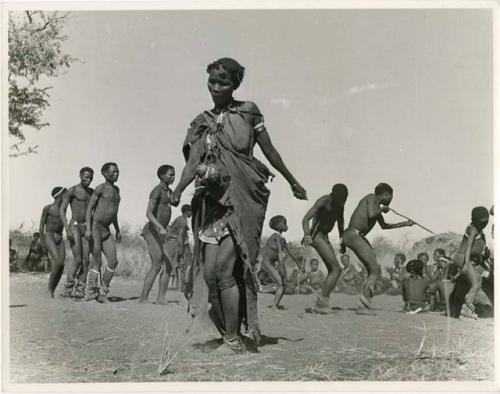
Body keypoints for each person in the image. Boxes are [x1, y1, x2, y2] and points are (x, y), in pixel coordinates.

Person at [170, 58, 307, 353]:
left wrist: (292, 180)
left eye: (223, 82)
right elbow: (194, 162)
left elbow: (269, 150)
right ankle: (227, 333)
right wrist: (179, 189)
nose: (216, 88)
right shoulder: (202, 121)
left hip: (241, 200)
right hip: (211, 203)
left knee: (225, 269)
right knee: (209, 274)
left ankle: (233, 339)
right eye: (212, 82)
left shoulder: (248, 112)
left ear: (235, 85)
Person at [342, 183, 414, 315]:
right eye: (391, 197)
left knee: (373, 269)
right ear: (387, 194)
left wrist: (406, 224)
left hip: (356, 236)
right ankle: (363, 306)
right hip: (353, 234)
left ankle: (364, 302)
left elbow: (385, 226)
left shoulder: (376, 209)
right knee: (374, 269)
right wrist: (383, 209)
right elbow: (370, 214)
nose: (391, 200)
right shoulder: (371, 198)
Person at [301, 184, 348, 314]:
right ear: (333, 195)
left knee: (334, 270)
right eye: (340, 199)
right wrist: (306, 234)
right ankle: (321, 305)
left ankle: (321, 303)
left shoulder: (340, 205)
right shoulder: (324, 200)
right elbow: (305, 219)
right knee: (336, 269)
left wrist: (342, 241)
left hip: (324, 237)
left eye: (344, 199)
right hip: (315, 236)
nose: (342, 202)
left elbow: (341, 223)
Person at [138, 165, 176, 304]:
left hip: (161, 232)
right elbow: (148, 213)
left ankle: (160, 298)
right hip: (152, 231)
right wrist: (160, 227)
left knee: (168, 266)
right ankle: (143, 298)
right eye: (170, 175)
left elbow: (175, 202)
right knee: (157, 264)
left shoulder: (168, 192)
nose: (173, 177)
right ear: (161, 176)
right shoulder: (157, 191)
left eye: (174, 175)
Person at [85, 163, 121, 302]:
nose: (116, 174)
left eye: (117, 171)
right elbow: (89, 209)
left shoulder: (117, 190)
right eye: (113, 172)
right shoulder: (100, 188)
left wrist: (117, 229)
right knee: (97, 262)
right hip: (95, 227)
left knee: (113, 261)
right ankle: (90, 292)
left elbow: (114, 213)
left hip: (106, 230)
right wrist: (88, 228)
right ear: (105, 173)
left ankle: (103, 292)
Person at [448, 206, 489, 319]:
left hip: (465, 259)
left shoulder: (478, 230)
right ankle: (465, 308)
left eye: (485, 222)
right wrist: (466, 264)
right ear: (475, 220)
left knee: (467, 284)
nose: (484, 224)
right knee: (474, 284)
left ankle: (457, 309)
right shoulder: (472, 229)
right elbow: (469, 248)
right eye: (482, 222)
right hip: (462, 258)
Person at [59, 167, 94, 298]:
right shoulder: (72, 190)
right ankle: (67, 290)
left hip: (86, 227)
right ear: (80, 175)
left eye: (90, 177)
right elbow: (62, 210)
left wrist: (90, 226)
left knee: (86, 261)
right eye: (85, 176)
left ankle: (80, 289)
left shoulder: (92, 192)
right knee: (78, 259)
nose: (88, 180)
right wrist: (66, 229)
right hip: (74, 225)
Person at [260, 215, 297, 310]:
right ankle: (274, 306)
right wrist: (282, 267)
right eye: (284, 223)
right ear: (278, 225)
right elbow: (280, 253)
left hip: (269, 264)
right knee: (280, 284)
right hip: (267, 263)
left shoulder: (282, 239)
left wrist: (299, 264)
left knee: (282, 285)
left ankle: (274, 305)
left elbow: (290, 252)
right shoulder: (276, 236)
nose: (286, 225)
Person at [40, 187, 67, 297]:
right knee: (58, 262)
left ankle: (52, 290)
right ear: (59, 196)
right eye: (65, 195)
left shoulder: (63, 209)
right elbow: (41, 228)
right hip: (49, 236)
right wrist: (43, 244)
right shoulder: (48, 208)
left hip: (59, 237)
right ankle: (49, 290)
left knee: (61, 265)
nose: (66, 197)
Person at [165, 204, 192, 291]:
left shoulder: (179, 219)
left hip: (171, 242)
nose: (192, 213)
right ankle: (182, 285)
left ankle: (176, 284)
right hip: (178, 242)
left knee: (176, 263)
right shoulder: (183, 221)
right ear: (187, 212)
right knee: (185, 263)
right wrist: (181, 247)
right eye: (191, 211)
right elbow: (180, 235)